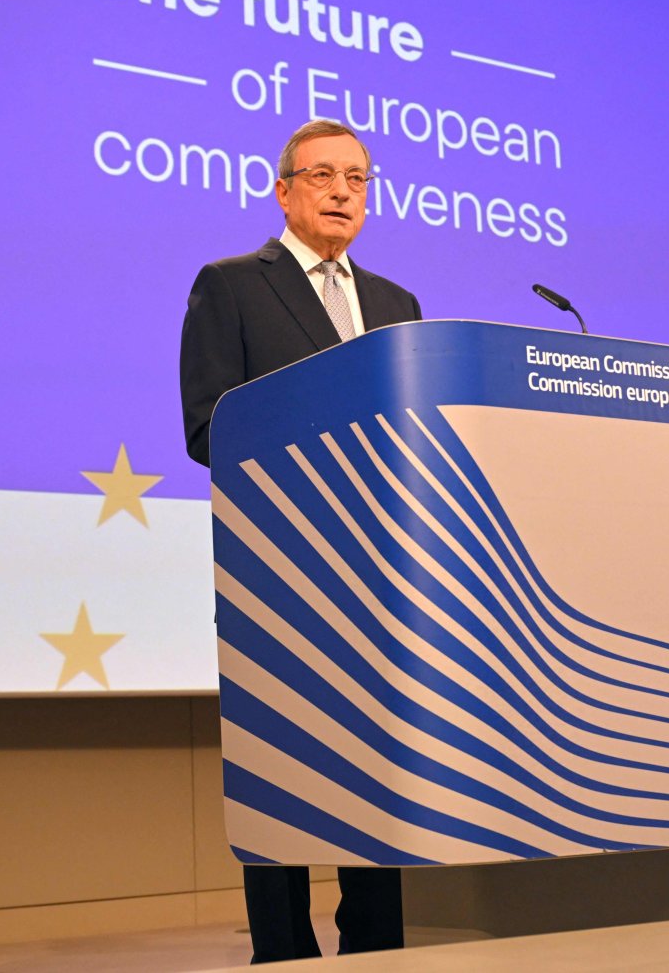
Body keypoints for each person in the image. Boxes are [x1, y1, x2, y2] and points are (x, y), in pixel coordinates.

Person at [179, 119, 419, 963]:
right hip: (280, 567)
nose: (344, 191)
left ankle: (377, 944)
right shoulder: (234, 285)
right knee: (280, 768)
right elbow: (210, 425)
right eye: (323, 175)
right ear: (284, 190)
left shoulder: (396, 306)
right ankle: (281, 951)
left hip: (379, 576)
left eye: (358, 177)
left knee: (376, 764)